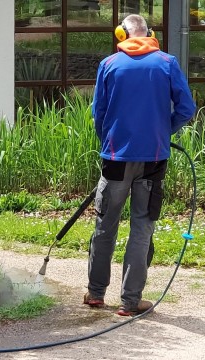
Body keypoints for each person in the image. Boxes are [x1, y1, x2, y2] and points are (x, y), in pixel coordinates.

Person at [84, 14, 196, 316]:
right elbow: (186, 108)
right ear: (150, 33)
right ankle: (131, 302)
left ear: (122, 34)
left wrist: (108, 143)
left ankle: (95, 294)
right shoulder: (167, 63)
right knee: (141, 229)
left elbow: (99, 113)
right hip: (153, 159)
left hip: (115, 159)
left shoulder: (109, 65)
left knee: (105, 225)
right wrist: (163, 131)